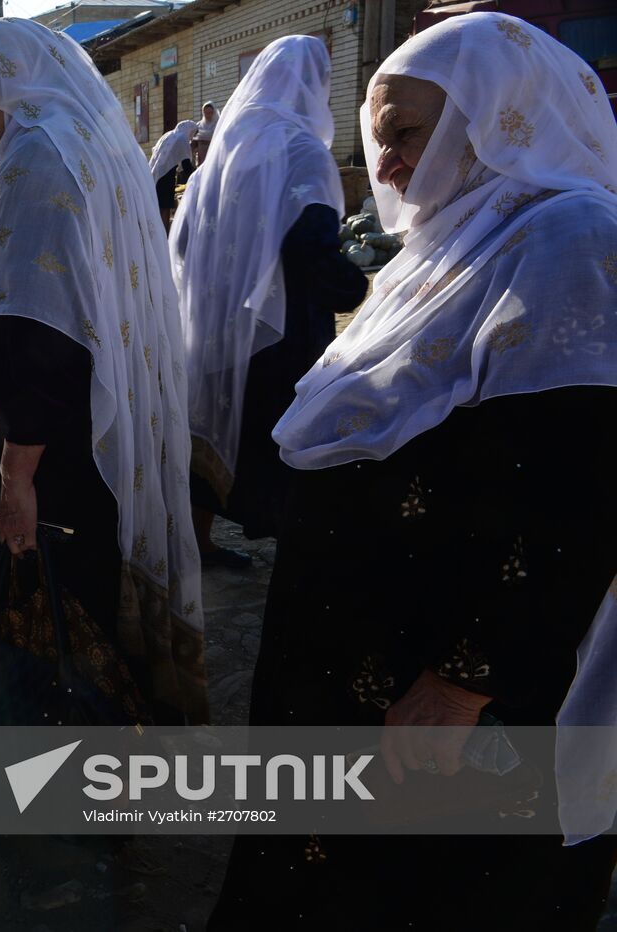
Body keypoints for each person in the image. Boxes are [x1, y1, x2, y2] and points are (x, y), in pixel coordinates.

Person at [211, 14, 617, 928]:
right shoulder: (450, 242)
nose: (385, 164)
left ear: (496, 117)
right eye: (376, 135)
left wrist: (466, 676)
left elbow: (577, 490)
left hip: (444, 674)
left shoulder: (567, 238)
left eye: (407, 134)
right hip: (364, 647)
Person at [0, 18, 206, 723]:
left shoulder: (38, 158)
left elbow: (40, 335)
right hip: (84, 419)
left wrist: (15, 478)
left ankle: (60, 785)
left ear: (16, 84)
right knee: (79, 589)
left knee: (43, 608)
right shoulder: (85, 141)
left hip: (45, 446)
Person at [170, 36, 367, 567]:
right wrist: (356, 289)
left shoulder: (225, 150)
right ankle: (296, 560)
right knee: (280, 440)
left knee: (214, 431)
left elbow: (185, 242)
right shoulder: (301, 150)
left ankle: (198, 542)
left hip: (216, 326)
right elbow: (310, 244)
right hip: (284, 328)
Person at [148, 119, 197, 230]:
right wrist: (198, 176)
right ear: (189, 130)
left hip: (156, 174)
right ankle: (164, 235)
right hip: (167, 176)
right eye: (192, 134)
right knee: (165, 208)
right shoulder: (182, 138)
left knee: (159, 207)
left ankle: (157, 234)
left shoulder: (169, 135)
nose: (191, 138)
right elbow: (186, 165)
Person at [191, 101, 218, 165]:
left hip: (214, 155)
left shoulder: (218, 125)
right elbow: (193, 143)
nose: (208, 115)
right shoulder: (199, 125)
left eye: (210, 113)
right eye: (206, 113)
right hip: (201, 157)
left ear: (214, 112)